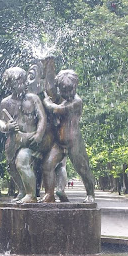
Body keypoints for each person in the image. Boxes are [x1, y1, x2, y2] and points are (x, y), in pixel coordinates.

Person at [42, 69, 95, 203]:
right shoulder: (64, 100)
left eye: (69, 90)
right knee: (47, 165)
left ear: (75, 86)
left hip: (74, 143)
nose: (66, 93)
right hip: (59, 143)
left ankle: (90, 194)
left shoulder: (77, 101)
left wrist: (47, 102)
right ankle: (49, 194)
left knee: (83, 169)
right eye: (63, 90)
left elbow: (58, 110)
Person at [0, 67, 47, 203]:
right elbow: (0, 121)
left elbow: (42, 118)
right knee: (11, 167)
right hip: (13, 141)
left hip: (30, 139)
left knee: (21, 162)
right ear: (9, 85)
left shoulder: (33, 98)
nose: (24, 85)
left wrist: (39, 134)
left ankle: (31, 195)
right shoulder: (5, 103)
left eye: (24, 82)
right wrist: (6, 127)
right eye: (20, 83)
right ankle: (23, 191)